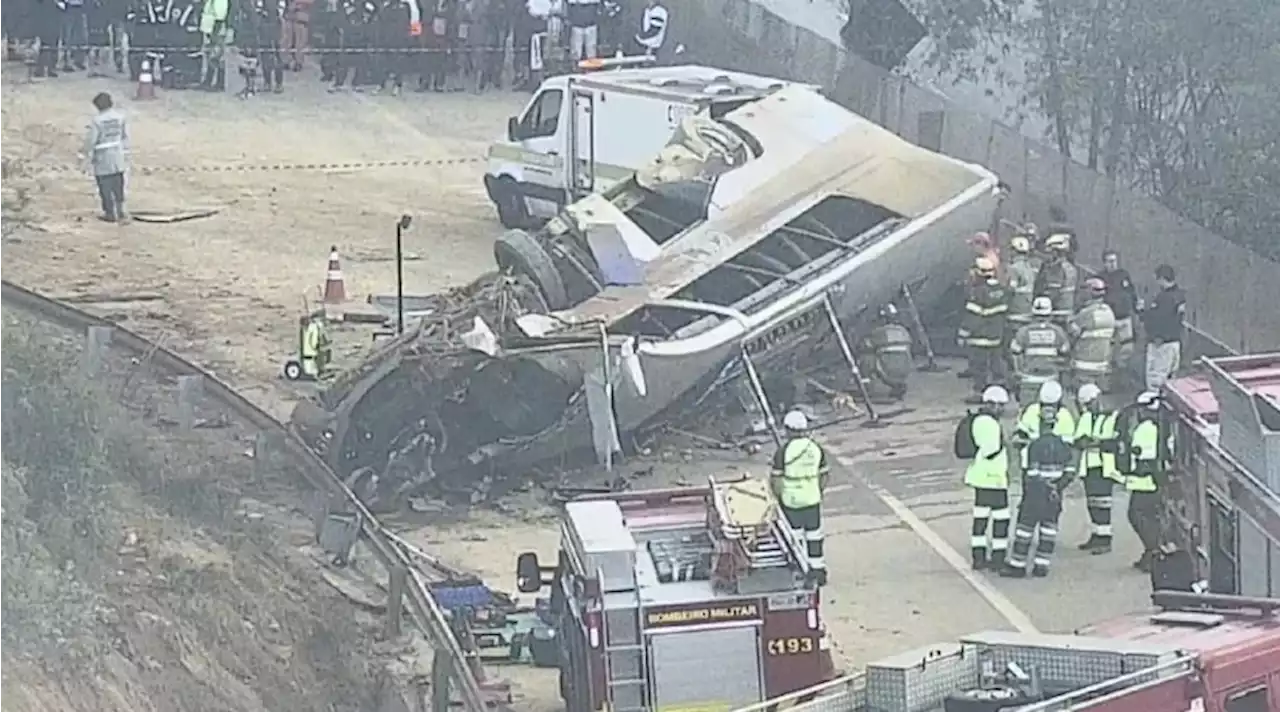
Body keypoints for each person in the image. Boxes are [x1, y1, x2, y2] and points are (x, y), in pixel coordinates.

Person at [1002, 401, 1073, 578]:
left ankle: (1018, 565)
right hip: (1054, 496)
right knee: (1048, 530)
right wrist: (1056, 487)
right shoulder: (1063, 446)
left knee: (1024, 530)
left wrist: (1039, 489)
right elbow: (1070, 471)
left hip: (1035, 495)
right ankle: (1041, 565)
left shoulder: (1036, 445)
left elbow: (1032, 473)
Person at [770, 409, 829, 585]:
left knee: (795, 538)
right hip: (812, 499)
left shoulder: (783, 451)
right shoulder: (816, 448)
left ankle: (800, 570)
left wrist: (778, 498)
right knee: (815, 536)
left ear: (788, 430)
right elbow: (824, 475)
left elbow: (776, 480)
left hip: (791, 501)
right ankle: (818, 570)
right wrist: (817, 491)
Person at [961, 385, 1012, 571]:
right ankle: (998, 558)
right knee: (1001, 519)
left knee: (980, 518)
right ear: (993, 404)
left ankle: (979, 557)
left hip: (981, 477)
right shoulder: (989, 423)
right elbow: (991, 450)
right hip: (993, 479)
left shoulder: (978, 420)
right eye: (1001, 405)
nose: (1003, 409)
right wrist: (1004, 444)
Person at [1073, 383, 1121, 554]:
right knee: (1092, 503)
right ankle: (1096, 534)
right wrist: (1091, 442)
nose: (1089, 406)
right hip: (1088, 465)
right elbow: (1079, 440)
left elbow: (1114, 442)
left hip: (1104, 466)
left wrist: (1095, 442)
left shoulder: (1112, 417)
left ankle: (1105, 539)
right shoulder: (1086, 418)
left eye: (1091, 402)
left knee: (1103, 503)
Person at [1123, 391, 1165, 572]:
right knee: (1149, 518)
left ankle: (1153, 552)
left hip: (1146, 482)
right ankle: (1151, 552)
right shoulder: (1160, 426)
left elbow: (1140, 455)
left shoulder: (1146, 428)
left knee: (1137, 515)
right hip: (1153, 480)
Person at [958, 256, 1008, 401]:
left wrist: (963, 334)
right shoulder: (1000, 289)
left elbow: (973, 317)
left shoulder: (979, 292)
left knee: (979, 367)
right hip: (996, 337)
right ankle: (999, 390)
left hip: (980, 338)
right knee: (996, 365)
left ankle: (979, 393)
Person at [1008, 296, 1069, 406]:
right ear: (1050, 315)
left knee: (1027, 412)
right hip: (1051, 378)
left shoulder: (1023, 331)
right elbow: (1065, 353)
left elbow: (1015, 353)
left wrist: (1018, 373)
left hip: (1029, 379)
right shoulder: (1058, 331)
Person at [81, 92, 129, 224]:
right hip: (118, 154)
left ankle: (110, 213)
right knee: (118, 183)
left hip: (103, 156)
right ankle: (121, 211)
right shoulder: (120, 117)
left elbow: (92, 140)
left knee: (105, 185)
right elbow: (124, 136)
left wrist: (85, 154)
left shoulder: (97, 121)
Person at [1013, 380, 1075, 474]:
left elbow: (1068, 446)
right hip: (1032, 465)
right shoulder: (1032, 411)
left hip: (1054, 466)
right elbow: (1019, 436)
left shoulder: (1064, 415)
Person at [1141, 264, 1186, 391]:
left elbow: (1158, 319)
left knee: (1156, 379)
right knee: (1171, 381)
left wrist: (1143, 313)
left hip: (1161, 344)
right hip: (1175, 342)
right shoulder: (1180, 295)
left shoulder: (1165, 298)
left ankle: (1154, 407)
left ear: (1161, 278)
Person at [1068, 277, 1116, 392]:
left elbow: (1072, 335)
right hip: (1102, 365)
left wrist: (1069, 320)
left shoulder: (1086, 314)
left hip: (1084, 366)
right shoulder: (1109, 312)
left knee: (1083, 397)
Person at [1099, 250, 1138, 384]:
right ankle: (1107, 380)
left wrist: (1135, 306)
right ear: (1104, 263)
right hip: (1109, 319)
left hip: (1125, 318)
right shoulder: (1100, 278)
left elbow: (1131, 292)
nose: (1113, 264)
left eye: (1114, 261)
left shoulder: (1123, 275)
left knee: (1126, 349)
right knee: (1107, 350)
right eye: (1109, 261)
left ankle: (1122, 379)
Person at [861, 303, 913, 403]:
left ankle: (865, 387)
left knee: (866, 359)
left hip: (887, 371)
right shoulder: (903, 330)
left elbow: (865, 346)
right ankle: (898, 385)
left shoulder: (879, 332)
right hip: (905, 370)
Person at [1033, 233, 1078, 321]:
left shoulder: (1056, 269)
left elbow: (1052, 293)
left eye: (1050, 252)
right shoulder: (1071, 267)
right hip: (1068, 312)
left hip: (1056, 315)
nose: (1047, 256)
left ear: (1056, 252)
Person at [1005, 235, 1037, 327]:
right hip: (1028, 312)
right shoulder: (1029, 267)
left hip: (1015, 313)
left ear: (1014, 251)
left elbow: (1010, 290)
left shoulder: (1013, 268)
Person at [300, 310, 332, 378]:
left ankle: (320, 370)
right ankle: (319, 371)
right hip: (316, 347)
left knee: (321, 357)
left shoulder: (316, 325)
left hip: (318, 345)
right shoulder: (315, 326)